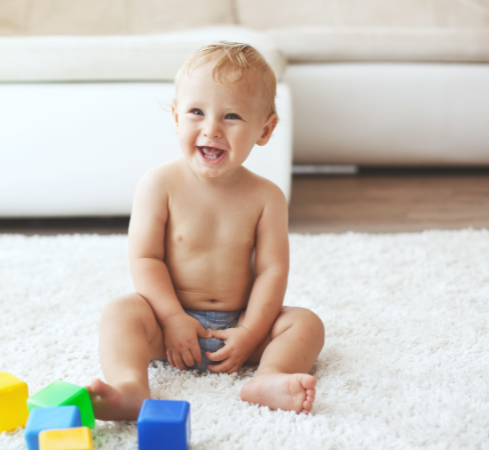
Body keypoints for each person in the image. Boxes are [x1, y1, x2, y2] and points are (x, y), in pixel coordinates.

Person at [87, 41, 325, 421]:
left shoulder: (267, 197)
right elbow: (146, 258)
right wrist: (172, 318)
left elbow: (271, 271)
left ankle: (267, 378)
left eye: (231, 116)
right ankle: (131, 387)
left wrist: (250, 332)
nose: (211, 129)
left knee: (305, 324)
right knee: (120, 311)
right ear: (176, 117)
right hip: (168, 325)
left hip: (242, 325)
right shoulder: (158, 185)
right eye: (197, 112)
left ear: (265, 129)